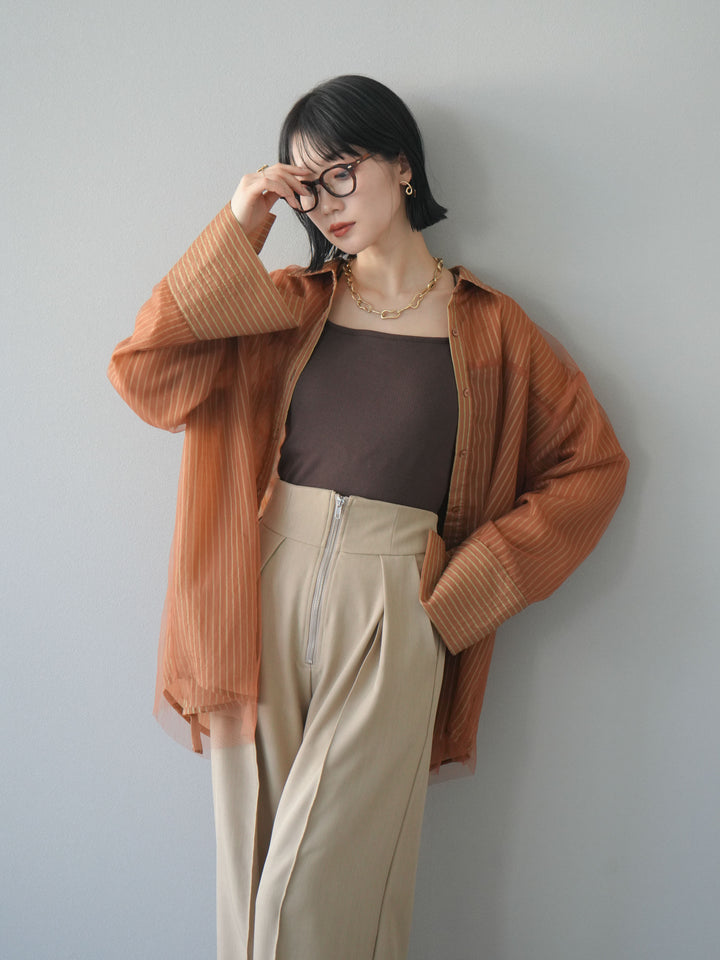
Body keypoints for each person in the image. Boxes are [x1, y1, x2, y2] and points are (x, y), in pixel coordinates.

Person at [108, 75, 628, 960]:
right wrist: (241, 225)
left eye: (341, 172)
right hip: (262, 599)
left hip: (397, 611)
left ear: (403, 165)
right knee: (254, 880)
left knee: (310, 895)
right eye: (306, 186)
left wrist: (463, 595)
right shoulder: (287, 307)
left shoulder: (492, 329)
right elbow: (146, 374)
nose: (325, 202)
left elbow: (593, 466)